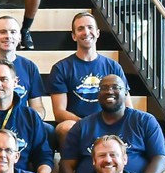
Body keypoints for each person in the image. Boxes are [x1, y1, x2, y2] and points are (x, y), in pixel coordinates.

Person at [62, 74, 165, 173]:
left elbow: (160, 159)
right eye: (104, 88)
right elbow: (66, 165)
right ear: (98, 94)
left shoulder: (145, 121)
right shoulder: (82, 126)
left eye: (116, 87)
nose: (109, 91)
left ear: (126, 93)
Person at [48, 12, 125, 142]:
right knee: (64, 127)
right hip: (77, 124)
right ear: (73, 36)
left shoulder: (113, 67)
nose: (86, 32)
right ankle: (69, 162)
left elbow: (125, 105)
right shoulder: (61, 68)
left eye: (90, 27)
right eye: (80, 29)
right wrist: (89, 124)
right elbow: (59, 112)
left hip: (109, 121)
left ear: (98, 33)